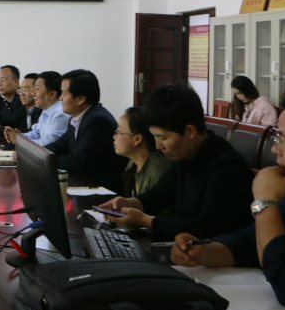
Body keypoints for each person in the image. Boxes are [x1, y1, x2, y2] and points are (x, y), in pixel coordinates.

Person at [170, 92, 285, 306]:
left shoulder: (226, 164)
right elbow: (248, 241)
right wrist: (204, 252)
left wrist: (265, 204)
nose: (274, 149)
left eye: (283, 139)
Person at [100, 83, 254, 241]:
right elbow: (159, 195)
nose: (158, 146)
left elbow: (206, 227)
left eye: (162, 137)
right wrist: (128, 203)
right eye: (154, 137)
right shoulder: (186, 155)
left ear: (189, 132)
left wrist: (146, 221)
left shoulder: (226, 166)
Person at [44, 69, 127, 194]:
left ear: (80, 99)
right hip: (84, 184)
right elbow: (60, 145)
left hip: (101, 191)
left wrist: (48, 160)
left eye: (64, 94)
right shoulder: (76, 117)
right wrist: (40, 153)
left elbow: (79, 162)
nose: (60, 98)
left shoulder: (97, 121)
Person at [113, 106, 173, 197]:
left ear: (137, 139)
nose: (114, 136)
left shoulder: (159, 169)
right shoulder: (132, 164)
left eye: (119, 132)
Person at [5, 70, 70, 146]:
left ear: (52, 94)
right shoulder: (46, 110)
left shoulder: (60, 115)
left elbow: (47, 145)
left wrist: (19, 141)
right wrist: (18, 137)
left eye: (37, 89)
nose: (33, 93)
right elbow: (36, 132)